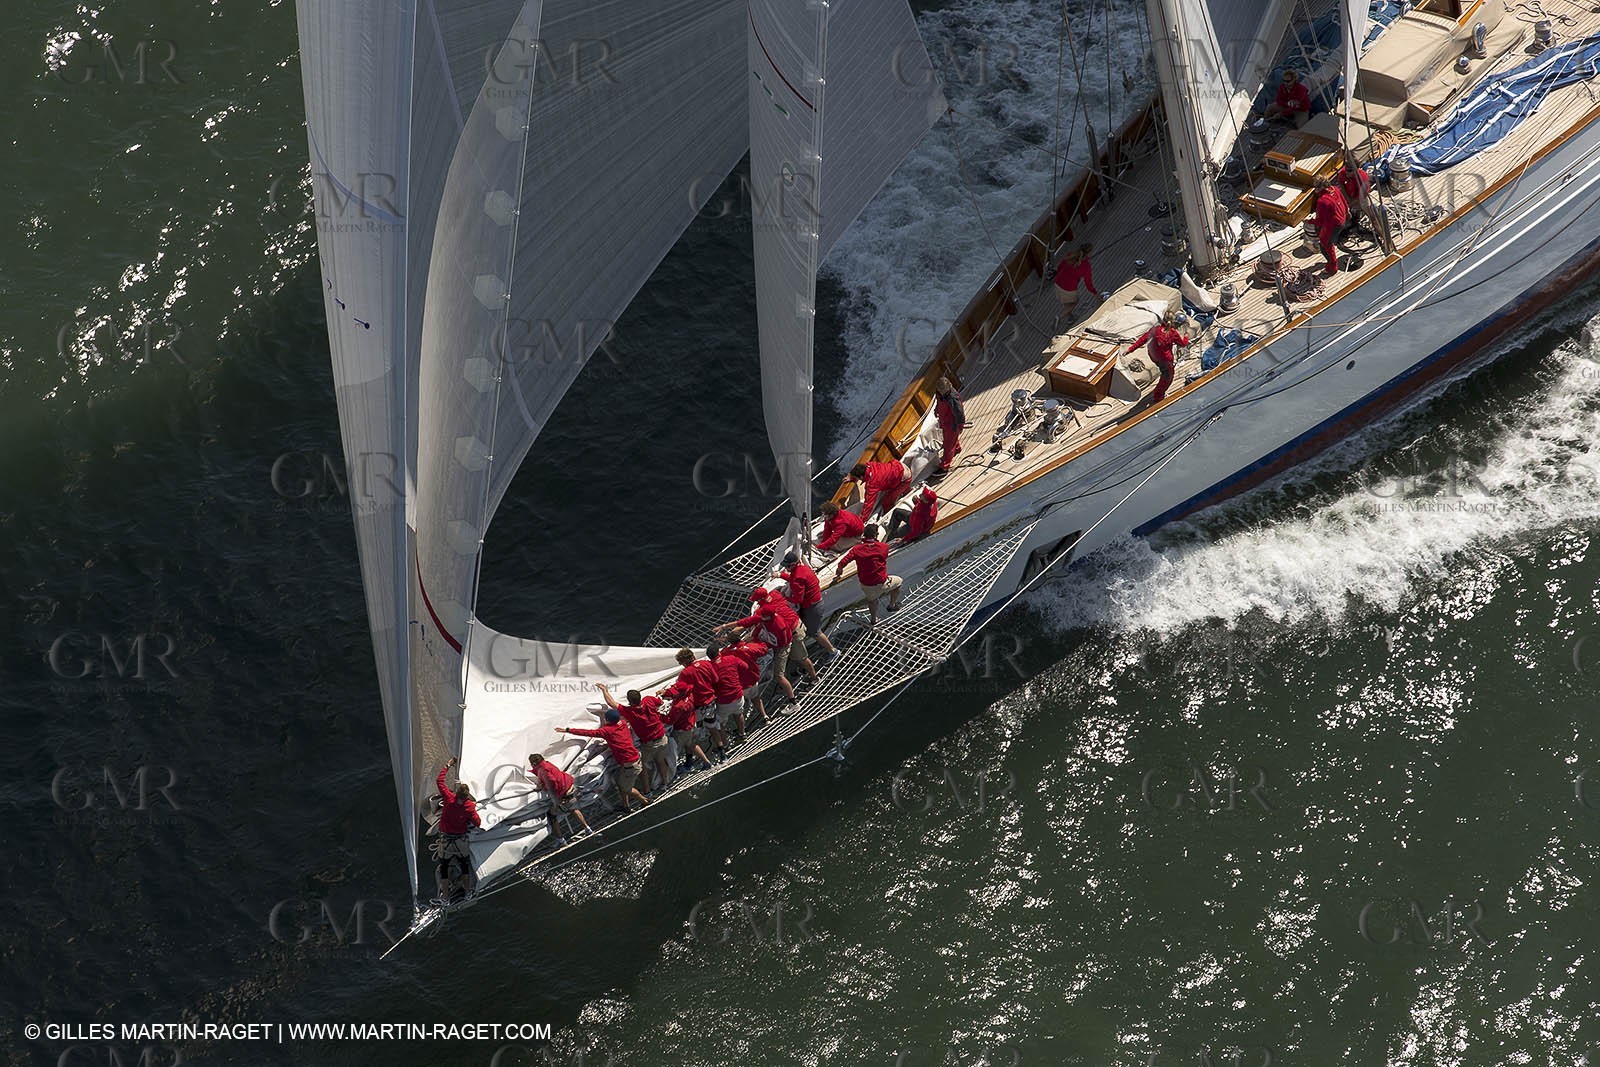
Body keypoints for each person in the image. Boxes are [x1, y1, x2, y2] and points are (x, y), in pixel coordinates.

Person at [713, 588, 817, 702]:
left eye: (757, 600)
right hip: (789, 630)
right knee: (795, 658)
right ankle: (801, 670)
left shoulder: (778, 627)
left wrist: (761, 644)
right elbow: (746, 622)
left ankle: (807, 686)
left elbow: (781, 643)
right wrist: (724, 627)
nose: (757, 603)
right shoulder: (770, 605)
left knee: (791, 665)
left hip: (789, 638)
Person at [556, 710, 651, 812]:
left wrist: (567, 730)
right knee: (621, 784)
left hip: (630, 765)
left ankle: (645, 801)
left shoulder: (606, 731)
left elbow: (588, 732)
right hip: (632, 759)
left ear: (607, 720)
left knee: (626, 788)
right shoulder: (622, 723)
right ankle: (626, 806)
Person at [596, 682, 674, 792]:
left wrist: (604, 690)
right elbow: (660, 702)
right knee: (660, 760)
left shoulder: (630, 712)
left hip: (649, 744)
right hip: (662, 738)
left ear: (630, 702)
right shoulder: (648, 700)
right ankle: (665, 783)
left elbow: (612, 703)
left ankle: (647, 790)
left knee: (643, 767)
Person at [834, 524, 903, 625]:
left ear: (864, 535)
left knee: (872, 600)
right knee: (899, 581)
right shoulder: (883, 547)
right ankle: (891, 605)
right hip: (882, 582)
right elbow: (883, 553)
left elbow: (843, 561)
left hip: (866, 585)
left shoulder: (856, 549)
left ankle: (874, 619)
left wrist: (839, 570)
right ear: (876, 535)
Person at [777, 550, 839, 662]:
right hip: (816, 603)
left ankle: (833, 651)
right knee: (812, 629)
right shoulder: (804, 569)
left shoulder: (797, 578)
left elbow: (797, 599)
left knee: (815, 632)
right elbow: (794, 579)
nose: (786, 568)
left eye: (787, 566)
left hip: (812, 607)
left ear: (793, 565)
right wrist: (781, 575)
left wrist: (783, 599)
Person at [526, 752, 592, 845]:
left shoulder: (544, 770)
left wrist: (546, 789)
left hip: (564, 793)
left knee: (551, 816)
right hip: (570, 786)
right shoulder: (547, 764)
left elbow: (552, 781)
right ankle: (587, 828)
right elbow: (538, 771)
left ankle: (561, 840)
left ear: (534, 763)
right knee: (573, 808)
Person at [1126, 311, 1191, 403]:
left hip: (1154, 356)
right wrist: (1186, 336)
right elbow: (1183, 343)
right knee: (1168, 377)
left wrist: (1130, 350)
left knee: (1164, 372)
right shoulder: (1172, 333)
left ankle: (1159, 391)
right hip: (1165, 360)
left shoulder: (1155, 330)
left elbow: (1142, 340)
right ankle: (1158, 397)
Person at [658, 646, 717, 729]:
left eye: (680, 662)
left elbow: (679, 689)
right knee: (713, 726)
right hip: (711, 701)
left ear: (685, 661)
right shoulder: (706, 663)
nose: (679, 664)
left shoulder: (685, 673)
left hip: (699, 704)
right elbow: (715, 679)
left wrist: (665, 692)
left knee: (699, 727)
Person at [720, 636, 772, 728]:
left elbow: (720, 656)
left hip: (740, 685)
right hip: (751, 680)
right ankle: (765, 717)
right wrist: (756, 640)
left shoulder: (726, 652)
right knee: (756, 698)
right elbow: (763, 649)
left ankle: (742, 729)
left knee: (739, 709)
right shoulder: (749, 648)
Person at [706, 643, 749, 746]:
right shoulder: (731, 658)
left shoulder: (709, 667)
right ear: (719, 653)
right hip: (737, 694)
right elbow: (745, 667)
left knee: (720, 723)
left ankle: (725, 744)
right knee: (739, 714)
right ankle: (742, 735)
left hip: (723, 701)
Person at [1052, 243, 1105, 320]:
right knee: (1074, 302)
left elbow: (1060, 267)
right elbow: (1088, 284)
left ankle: (1069, 317)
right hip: (1069, 288)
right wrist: (1096, 293)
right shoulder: (1086, 266)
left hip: (1057, 283)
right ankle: (1059, 316)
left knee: (1066, 302)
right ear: (1089, 253)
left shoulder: (1070, 255)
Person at [844, 459, 912, 520]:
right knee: (893, 481)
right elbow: (860, 469)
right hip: (899, 466)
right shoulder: (870, 465)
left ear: (861, 477)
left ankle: (888, 518)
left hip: (905, 480)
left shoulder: (872, 484)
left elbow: (868, 505)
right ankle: (906, 490)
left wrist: (862, 520)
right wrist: (852, 477)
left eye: (858, 478)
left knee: (887, 502)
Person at [665, 693, 714, 772]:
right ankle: (705, 762)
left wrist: (660, 716)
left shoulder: (679, 706)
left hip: (682, 731)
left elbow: (670, 720)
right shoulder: (690, 696)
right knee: (691, 744)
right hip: (691, 726)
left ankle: (673, 773)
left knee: (673, 750)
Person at [436, 757, 481, 836]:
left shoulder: (448, 797)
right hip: (459, 832)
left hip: (445, 829)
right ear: (467, 796)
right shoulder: (470, 806)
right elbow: (478, 823)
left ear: (456, 792)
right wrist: (473, 805)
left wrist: (448, 765)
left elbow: (439, 781)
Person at [1314, 178, 1348, 275]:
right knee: (1328, 243)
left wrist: (1309, 221)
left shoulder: (1322, 201)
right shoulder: (1335, 189)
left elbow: (1320, 220)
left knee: (1326, 246)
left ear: (1321, 187)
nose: (1315, 189)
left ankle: (1332, 268)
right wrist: (1347, 212)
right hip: (1342, 219)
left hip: (1333, 225)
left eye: (1316, 187)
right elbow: (1344, 201)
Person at [933, 376, 966, 475]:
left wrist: (960, 426)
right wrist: (936, 410)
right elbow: (939, 402)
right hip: (945, 422)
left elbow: (959, 413)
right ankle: (957, 448)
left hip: (952, 425)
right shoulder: (940, 394)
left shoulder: (952, 397)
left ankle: (944, 467)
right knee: (950, 442)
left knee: (948, 445)